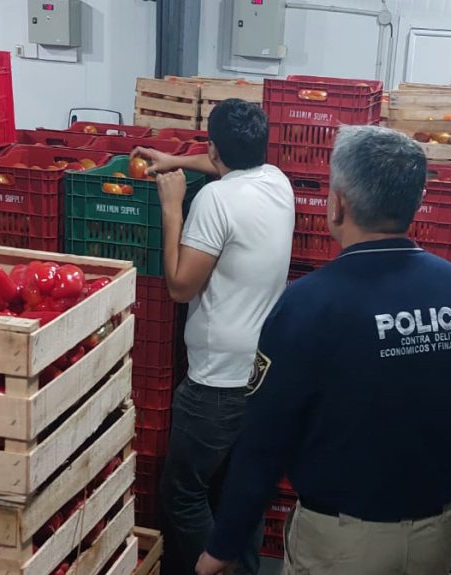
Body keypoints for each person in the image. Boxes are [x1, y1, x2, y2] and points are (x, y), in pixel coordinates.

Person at [194, 126, 451, 575]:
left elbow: (264, 443)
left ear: (337, 203)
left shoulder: (307, 305)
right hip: (435, 538)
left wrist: (223, 545)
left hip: (339, 546)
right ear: (416, 202)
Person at [134, 98, 295, 575]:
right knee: (238, 493)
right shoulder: (277, 182)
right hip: (261, 372)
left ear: (214, 147)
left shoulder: (214, 200)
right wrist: (177, 160)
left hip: (215, 382)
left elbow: (181, 287)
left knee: (182, 493)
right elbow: (224, 163)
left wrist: (172, 208)